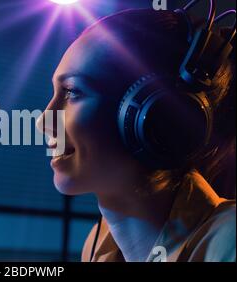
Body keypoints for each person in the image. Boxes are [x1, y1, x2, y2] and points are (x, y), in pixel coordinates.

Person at [36, 8, 236, 262]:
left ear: (157, 113)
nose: (44, 120)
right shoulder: (98, 249)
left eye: (73, 92)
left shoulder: (229, 244)